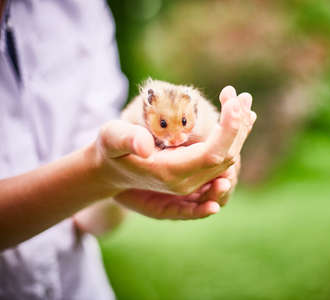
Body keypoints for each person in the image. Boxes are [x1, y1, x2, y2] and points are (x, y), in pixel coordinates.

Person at [0, 0, 256, 299]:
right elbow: (97, 165)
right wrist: (104, 175)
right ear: (149, 113)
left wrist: (121, 184)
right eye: (163, 125)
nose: (174, 137)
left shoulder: (81, 8)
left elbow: (89, 219)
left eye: (183, 122)